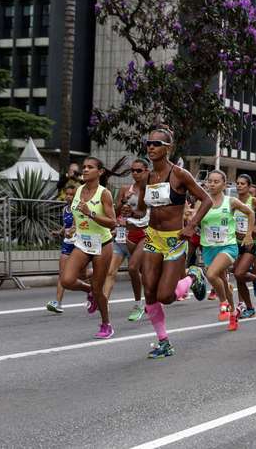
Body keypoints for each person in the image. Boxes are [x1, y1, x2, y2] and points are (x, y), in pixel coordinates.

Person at [136, 126, 212, 358]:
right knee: (149, 291)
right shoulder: (147, 177)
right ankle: (163, 342)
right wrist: (128, 212)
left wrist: (191, 226)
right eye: (148, 143)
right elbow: (142, 209)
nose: (151, 147)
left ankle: (193, 276)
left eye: (157, 144)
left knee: (165, 296)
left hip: (174, 239)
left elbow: (206, 200)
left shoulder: (179, 174)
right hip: (152, 237)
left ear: (168, 149)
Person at [59, 157, 126, 338]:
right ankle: (89, 291)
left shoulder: (104, 194)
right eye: (84, 167)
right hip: (82, 242)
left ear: (100, 172)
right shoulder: (79, 190)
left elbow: (112, 223)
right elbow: (76, 214)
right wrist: (73, 227)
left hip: (102, 244)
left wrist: (91, 213)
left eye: (90, 167)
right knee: (67, 279)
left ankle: (106, 324)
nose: (85, 170)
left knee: (99, 289)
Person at [197, 170, 254, 331]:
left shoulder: (231, 201)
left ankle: (223, 304)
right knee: (223, 282)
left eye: (216, 181)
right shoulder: (202, 202)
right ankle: (233, 312)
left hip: (228, 246)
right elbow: (194, 219)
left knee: (211, 275)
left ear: (224, 184)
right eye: (210, 181)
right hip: (209, 248)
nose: (212, 184)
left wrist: (249, 234)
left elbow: (250, 213)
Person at [104, 158, 149, 321]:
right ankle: (104, 302)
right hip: (124, 233)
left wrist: (133, 213)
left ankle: (139, 304)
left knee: (133, 269)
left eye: (139, 170)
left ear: (147, 171)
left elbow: (143, 213)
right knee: (113, 271)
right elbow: (114, 212)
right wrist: (123, 201)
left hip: (144, 234)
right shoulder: (125, 189)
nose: (135, 173)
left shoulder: (151, 190)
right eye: (133, 170)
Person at [230, 174, 256, 318]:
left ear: (249, 186)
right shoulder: (233, 201)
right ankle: (249, 307)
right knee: (238, 276)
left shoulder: (254, 201)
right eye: (237, 183)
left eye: (242, 184)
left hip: (251, 242)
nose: (239, 186)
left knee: (239, 273)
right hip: (236, 241)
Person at [46, 184, 77, 313]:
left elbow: (76, 225)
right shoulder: (65, 209)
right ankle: (58, 303)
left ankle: (92, 293)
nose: (68, 197)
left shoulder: (78, 209)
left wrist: (73, 231)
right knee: (62, 274)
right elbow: (67, 225)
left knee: (82, 274)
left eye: (72, 195)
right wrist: (59, 232)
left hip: (78, 244)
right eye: (67, 194)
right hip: (67, 243)